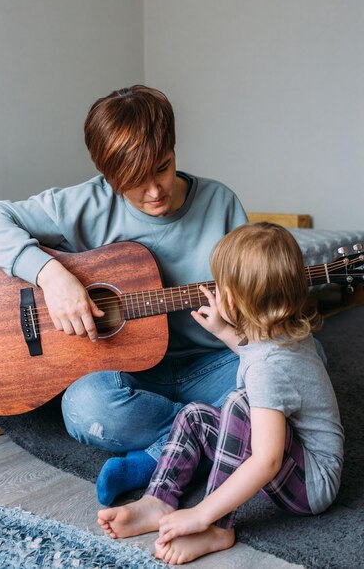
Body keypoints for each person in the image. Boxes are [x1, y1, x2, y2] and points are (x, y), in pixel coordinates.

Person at [0, 84, 248, 505]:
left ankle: (155, 455)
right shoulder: (83, 203)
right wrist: (51, 275)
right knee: (85, 408)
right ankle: (208, 437)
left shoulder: (221, 203)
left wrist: (237, 322)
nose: (154, 192)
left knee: (298, 359)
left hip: (211, 364)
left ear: (173, 148)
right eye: (134, 181)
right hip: (126, 375)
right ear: (108, 176)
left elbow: (258, 301)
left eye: (163, 168)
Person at [97, 222, 344, 566]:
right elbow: (254, 356)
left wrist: (201, 513)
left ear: (229, 298)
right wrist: (224, 331)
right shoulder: (281, 331)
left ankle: (217, 527)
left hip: (313, 483)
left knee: (239, 404)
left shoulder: (269, 367)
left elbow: (267, 459)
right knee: (195, 415)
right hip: (294, 457)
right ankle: (159, 499)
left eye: (220, 286)